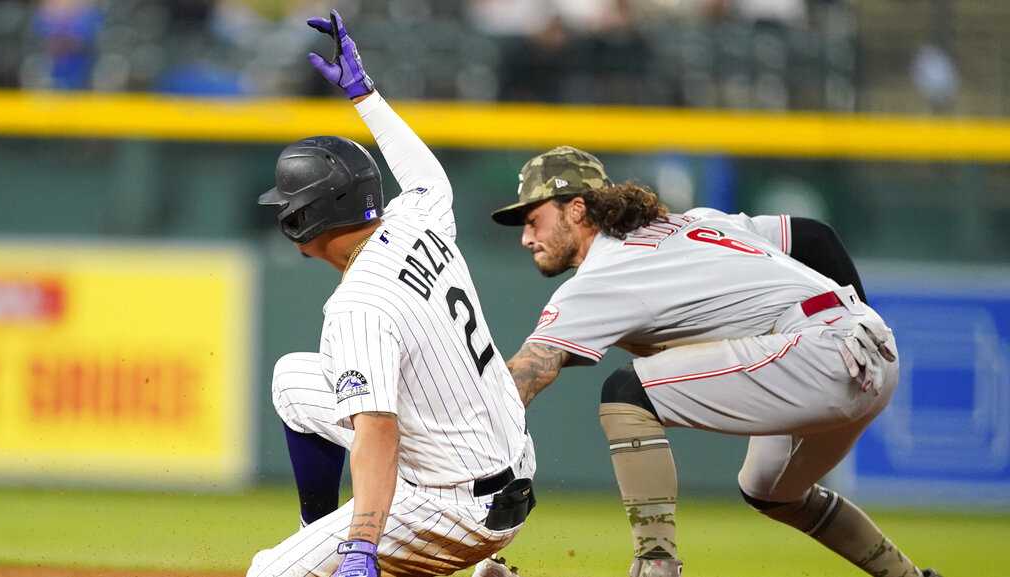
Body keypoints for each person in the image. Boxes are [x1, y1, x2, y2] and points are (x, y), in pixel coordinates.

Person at [490, 146, 941, 577]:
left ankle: (656, 564)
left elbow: (532, 370)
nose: (527, 237)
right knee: (771, 491)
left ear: (577, 210)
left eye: (534, 219)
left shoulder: (602, 275)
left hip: (819, 350)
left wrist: (456, 431)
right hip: (869, 344)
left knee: (628, 394)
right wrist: (853, 324)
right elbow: (813, 236)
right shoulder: (694, 221)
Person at [247, 12, 535, 577]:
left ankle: (350, 544)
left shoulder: (357, 307)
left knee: (268, 574)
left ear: (306, 221)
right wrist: (364, 94)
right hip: (510, 468)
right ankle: (319, 534)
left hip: (451, 510)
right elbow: (422, 170)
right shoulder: (417, 218)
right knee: (294, 380)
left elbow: (377, 431)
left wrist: (360, 547)